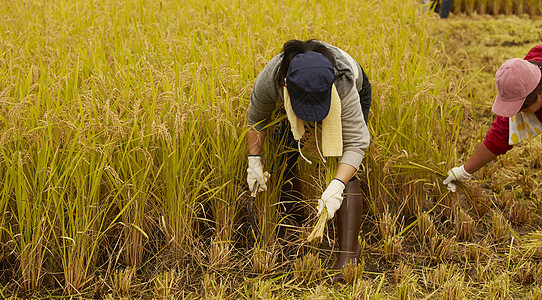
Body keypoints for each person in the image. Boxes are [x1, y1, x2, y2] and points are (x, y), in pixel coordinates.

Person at [246, 39, 371, 283]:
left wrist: (336, 186)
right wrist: (254, 161)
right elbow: (257, 120)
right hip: (292, 97)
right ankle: (290, 227)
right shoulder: (270, 79)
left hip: (350, 91)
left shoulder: (343, 83)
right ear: (285, 85)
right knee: (284, 153)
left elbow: (356, 144)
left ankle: (348, 253)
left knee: (345, 164)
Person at [443, 45, 542, 192]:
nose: (517, 114)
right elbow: (501, 134)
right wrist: (463, 171)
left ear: (539, 95)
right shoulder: (525, 74)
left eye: (521, 108)